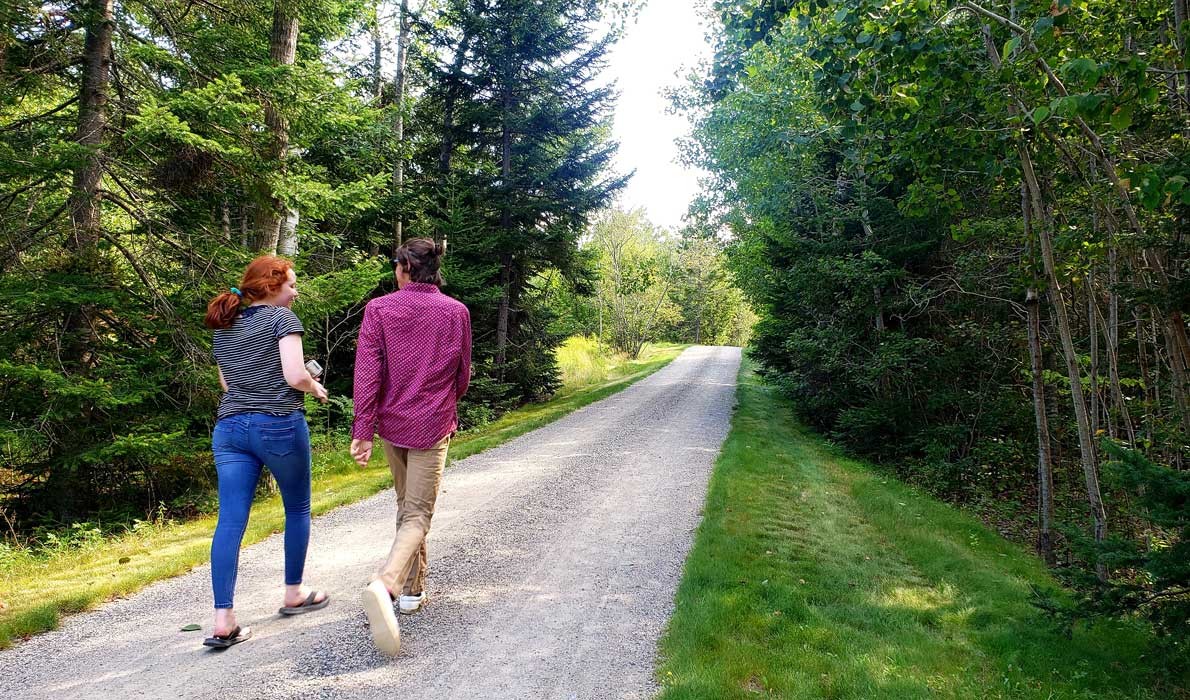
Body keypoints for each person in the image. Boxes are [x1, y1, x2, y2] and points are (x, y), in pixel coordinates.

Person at [201, 255, 331, 649]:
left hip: (230, 430)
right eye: (291, 285)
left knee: (230, 521)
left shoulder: (225, 327)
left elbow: (228, 386)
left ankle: (223, 619)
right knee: (297, 508)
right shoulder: (282, 321)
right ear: (272, 287)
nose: (295, 292)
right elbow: (294, 375)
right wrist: (314, 386)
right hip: (277, 425)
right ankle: (293, 593)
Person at [350, 237, 471, 656]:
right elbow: (462, 374)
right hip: (434, 422)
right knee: (417, 513)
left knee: (407, 507)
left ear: (404, 268)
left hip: (391, 425)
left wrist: (363, 429)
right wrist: (446, 403)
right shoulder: (456, 313)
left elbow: (367, 373)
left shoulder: (379, 310)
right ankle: (389, 583)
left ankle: (413, 591)